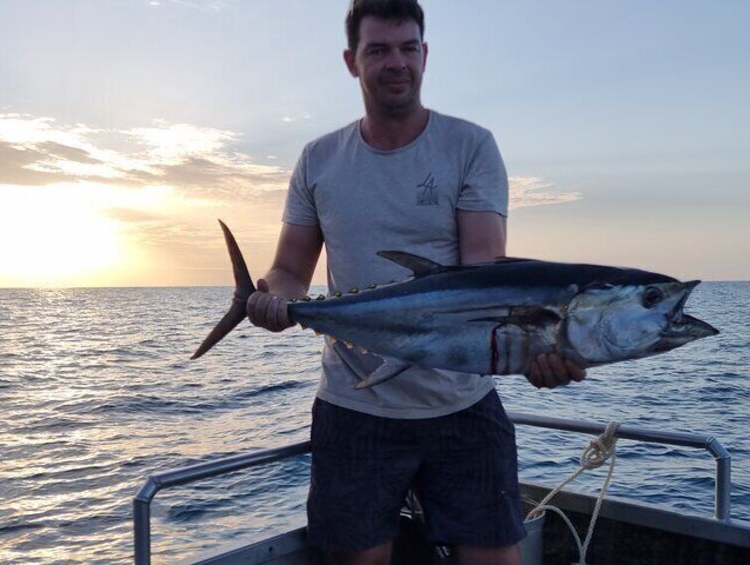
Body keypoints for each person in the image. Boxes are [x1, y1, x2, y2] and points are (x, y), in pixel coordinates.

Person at [247, 1, 585, 563]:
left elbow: (483, 280)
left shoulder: (470, 145)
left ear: (425, 55)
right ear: (352, 61)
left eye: (408, 48)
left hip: (463, 404)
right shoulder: (318, 159)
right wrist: (276, 299)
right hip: (354, 407)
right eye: (378, 50)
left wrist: (539, 350)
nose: (396, 62)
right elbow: (290, 270)